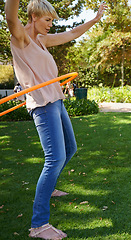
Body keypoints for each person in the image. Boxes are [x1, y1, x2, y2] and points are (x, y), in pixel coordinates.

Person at [5, 0, 107, 239]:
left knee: (70, 149)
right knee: (55, 158)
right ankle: (39, 225)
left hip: (56, 101)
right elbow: (11, 18)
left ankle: (48, 188)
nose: (51, 25)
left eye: (52, 21)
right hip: (42, 104)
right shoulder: (21, 39)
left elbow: (72, 33)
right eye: (47, 20)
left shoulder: (42, 40)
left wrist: (94, 19)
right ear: (33, 17)